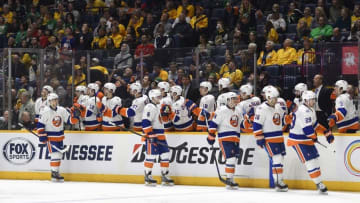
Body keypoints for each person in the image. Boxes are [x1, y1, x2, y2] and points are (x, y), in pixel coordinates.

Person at [287, 91, 334, 194]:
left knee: (315, 159)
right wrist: (314, 137)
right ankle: (319, 184)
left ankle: (319, 182)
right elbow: (308, 130)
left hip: (306, 139)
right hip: (298, 140)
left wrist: (326, 132)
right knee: (310, 161)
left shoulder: (311, 110)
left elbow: (315, 125)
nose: (313, 101)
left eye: (314, 99)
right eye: (311, 99)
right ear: (305, 100)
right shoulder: (304, 111)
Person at [37, 93, 79, 182]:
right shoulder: (45, 111)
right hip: (50, 137)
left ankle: (55, 172)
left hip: (60, 136)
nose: (55, 102)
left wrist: (75, 115)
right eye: (53, 100)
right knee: (55, 155)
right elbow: (40, 125)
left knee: (59, 155)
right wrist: (42, 135)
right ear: (49, 101)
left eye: (56, 100)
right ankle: (54, 172)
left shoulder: (62, 110)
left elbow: (70, 121)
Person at [253, 86, 288, 192]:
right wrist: (259, 137)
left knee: (280, 158)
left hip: (279, 137)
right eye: (274, 98)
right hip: (269, 138)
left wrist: (289, 117)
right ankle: (278, 181)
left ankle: (279, 180)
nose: (276, 100)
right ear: (268, 97)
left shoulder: (278, 107)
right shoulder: (261, 108)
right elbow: (256, 124)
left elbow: (282, 121)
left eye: (276, 98)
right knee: (277, 158)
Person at [208, 92, 243, 189]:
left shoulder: (239, 110)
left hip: (236, 138)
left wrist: (248, 123)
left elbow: (242, 124)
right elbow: (214, 124)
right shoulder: (221, 110)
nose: (234, 101)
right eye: (232, 99)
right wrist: (211, 135)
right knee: (230, 159)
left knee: (234, 159)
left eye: (235, 99)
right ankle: (229, 180)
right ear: (227, 100)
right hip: (225, 139)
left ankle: (230, 179)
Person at [142, 89, 174, 186]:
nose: (160, 98)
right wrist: (150, 134)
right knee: (151, 155)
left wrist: (167, 115)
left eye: (160, 96)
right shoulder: (149, 107)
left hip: (160, 135)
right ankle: (148, 176)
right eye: (158, 97)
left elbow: (162, 120)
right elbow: (145, 122)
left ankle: (164, 175)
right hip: (152, 134)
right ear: (152, 98)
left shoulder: (158, 106)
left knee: (165, 155)